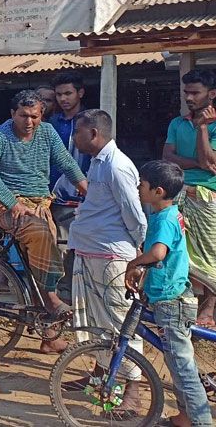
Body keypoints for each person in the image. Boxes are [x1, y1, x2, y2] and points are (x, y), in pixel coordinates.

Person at [0, 89, 87, 353]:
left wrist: (90, 193)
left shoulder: (47, 133)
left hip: (39, 204)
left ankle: (48, 334)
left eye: (35, 116)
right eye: (24, 116)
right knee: (40, 234)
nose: (29, 122)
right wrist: (11, 202)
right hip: (5, 205)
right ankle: (50, 297)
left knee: (46, 251)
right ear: (12, 114)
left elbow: (68, 165)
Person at [64, 110, 148, 408]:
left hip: (113, 256)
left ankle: (133, 391)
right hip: (93, 252)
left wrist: (139, 251)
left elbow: (135, 215)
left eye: (77, 132)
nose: (74, 137)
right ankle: (100, 377)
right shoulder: (97, 164)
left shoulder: (117, 166)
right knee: (99, 322)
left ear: (94, 134)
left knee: (119, 322)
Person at [126, 160, 214, 427]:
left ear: (158, 191)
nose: (138, 187)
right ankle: (186, 417)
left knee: (183, 369)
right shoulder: (169, 212)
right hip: (169, 294)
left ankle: (201, 422)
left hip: (171, 301)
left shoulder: (163, 219)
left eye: (142, 184)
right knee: (176, 363)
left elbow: (158, 254)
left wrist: (134, 263)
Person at [163, 69, 216, 328]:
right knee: (180, 252)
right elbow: (167, 156)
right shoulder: (177, 123)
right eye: (187, 93)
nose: (189, 98)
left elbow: (209, 160)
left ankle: (208, 311)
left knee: (212, 257)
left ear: (211, 94)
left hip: (211, 200)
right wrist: (198, 164)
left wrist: (203, 127)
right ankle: (185, 305)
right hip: (181, 194)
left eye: (195, 93)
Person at [48, 71, 91, 302]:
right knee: (57, 247)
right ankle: (62, 294)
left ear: (80, 93)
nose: (63, 98)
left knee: (75, 247)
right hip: (53, 195)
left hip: (81, 195)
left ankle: (73, 293)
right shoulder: (52, 123)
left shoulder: (89, 122)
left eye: (68, 93)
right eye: (59, 94)